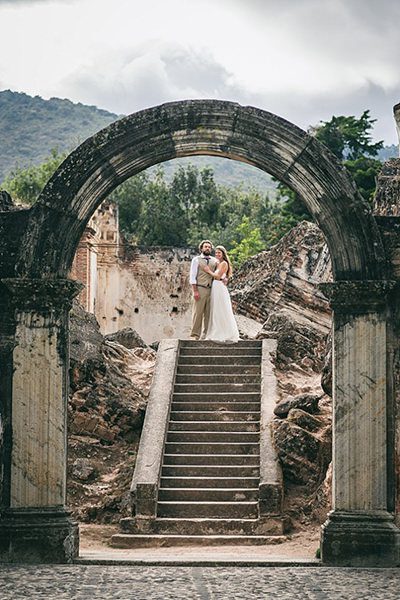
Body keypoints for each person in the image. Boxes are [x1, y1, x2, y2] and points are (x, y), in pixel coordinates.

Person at [201, 245, 240, 343]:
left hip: (219, 287)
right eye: (216, 252)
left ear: (223, 254)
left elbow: (218, 276)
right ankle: (216, 330)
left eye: (219, 252)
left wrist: (208, 271)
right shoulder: (217, 263)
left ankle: (223, 332)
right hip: (215, 287)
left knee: (221, 309)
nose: (217, 254)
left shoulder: (224, 263)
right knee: (215, 309)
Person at [189, 240, 218, 339]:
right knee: (198, 313)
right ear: (201, 248)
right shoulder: (196, 260)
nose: (207, 248)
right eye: (205, 247)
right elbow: (192, 276)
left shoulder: (214, 261)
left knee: (209, 314)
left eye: (209, 247)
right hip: (200, 288)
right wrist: (195, 291)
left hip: (211, 290)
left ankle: (206, 335)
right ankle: (195, 335)